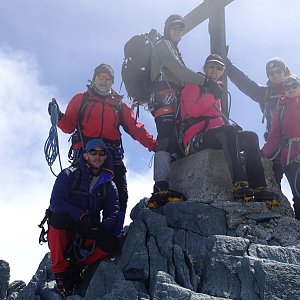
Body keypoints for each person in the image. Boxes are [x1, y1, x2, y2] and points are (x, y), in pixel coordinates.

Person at [48, 64, 156, 235]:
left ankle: (112, 236)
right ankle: (80, 235)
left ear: (112, 82)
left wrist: (154, 145)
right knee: (81, 194)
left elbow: (135, 128)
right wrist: (59, 116)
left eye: (108, 78)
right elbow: (68, 126)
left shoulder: (119, 105)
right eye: (100, 77)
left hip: (111, 154)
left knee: (120, 194)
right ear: (94, 79)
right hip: (85, 153)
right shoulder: (81, 99)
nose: (104, 81)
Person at [180, 54, 278, 204]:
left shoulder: (215, 88)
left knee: (251, 137)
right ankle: (239, 182)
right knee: (228, 131)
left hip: (214, 135)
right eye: (211, 66)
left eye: (219, 67)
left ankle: (259, 187)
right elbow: (191, 111)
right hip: (195, 138)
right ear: (205, 69)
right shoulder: (194, 84)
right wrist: (212, 95)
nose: (214, 70)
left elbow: (215, 119)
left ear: (222, 71)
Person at [148, 14, 222, 204]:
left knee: (172, 138)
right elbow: (179, 71)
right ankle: (160, 186)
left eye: (180, 29)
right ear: (167, 29)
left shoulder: (172, 47)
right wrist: (205, 81)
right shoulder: (163, 45)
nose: (178, 31)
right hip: (164, 96)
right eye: (174, 27)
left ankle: (169, 183)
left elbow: (179, 73)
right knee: (165, 138)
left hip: (170, 98)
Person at [47, 138, 120, 296]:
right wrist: (82, 216)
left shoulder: (109, 184)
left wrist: (102, 227)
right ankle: (60, 270)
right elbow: (56, 203)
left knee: (111, 243)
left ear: (106, 157)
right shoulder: (68, 174)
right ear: (85, 155)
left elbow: (112, 211)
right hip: (68, 227)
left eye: (102, 153)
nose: (97, 156)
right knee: (57, 219)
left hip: (88, 230)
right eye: (93, 152)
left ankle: (78, 265)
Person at [226, 57, 292, 186]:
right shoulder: (264, 94)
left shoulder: (296, 90)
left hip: (296, 146)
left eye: (278, 71)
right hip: (274, 146)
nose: (275, 75)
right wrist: (229, 66)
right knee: (274, 182)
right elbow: (245, 83)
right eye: (271, 73)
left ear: (285, 71)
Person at [261, 75, 300, 220]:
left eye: (294, 85)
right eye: (287, 87)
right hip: (291, 157)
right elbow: (274, 137)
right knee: (298, 194)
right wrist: (262, 153)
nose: (290, 89)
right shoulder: (280, 110)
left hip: (291, 154)